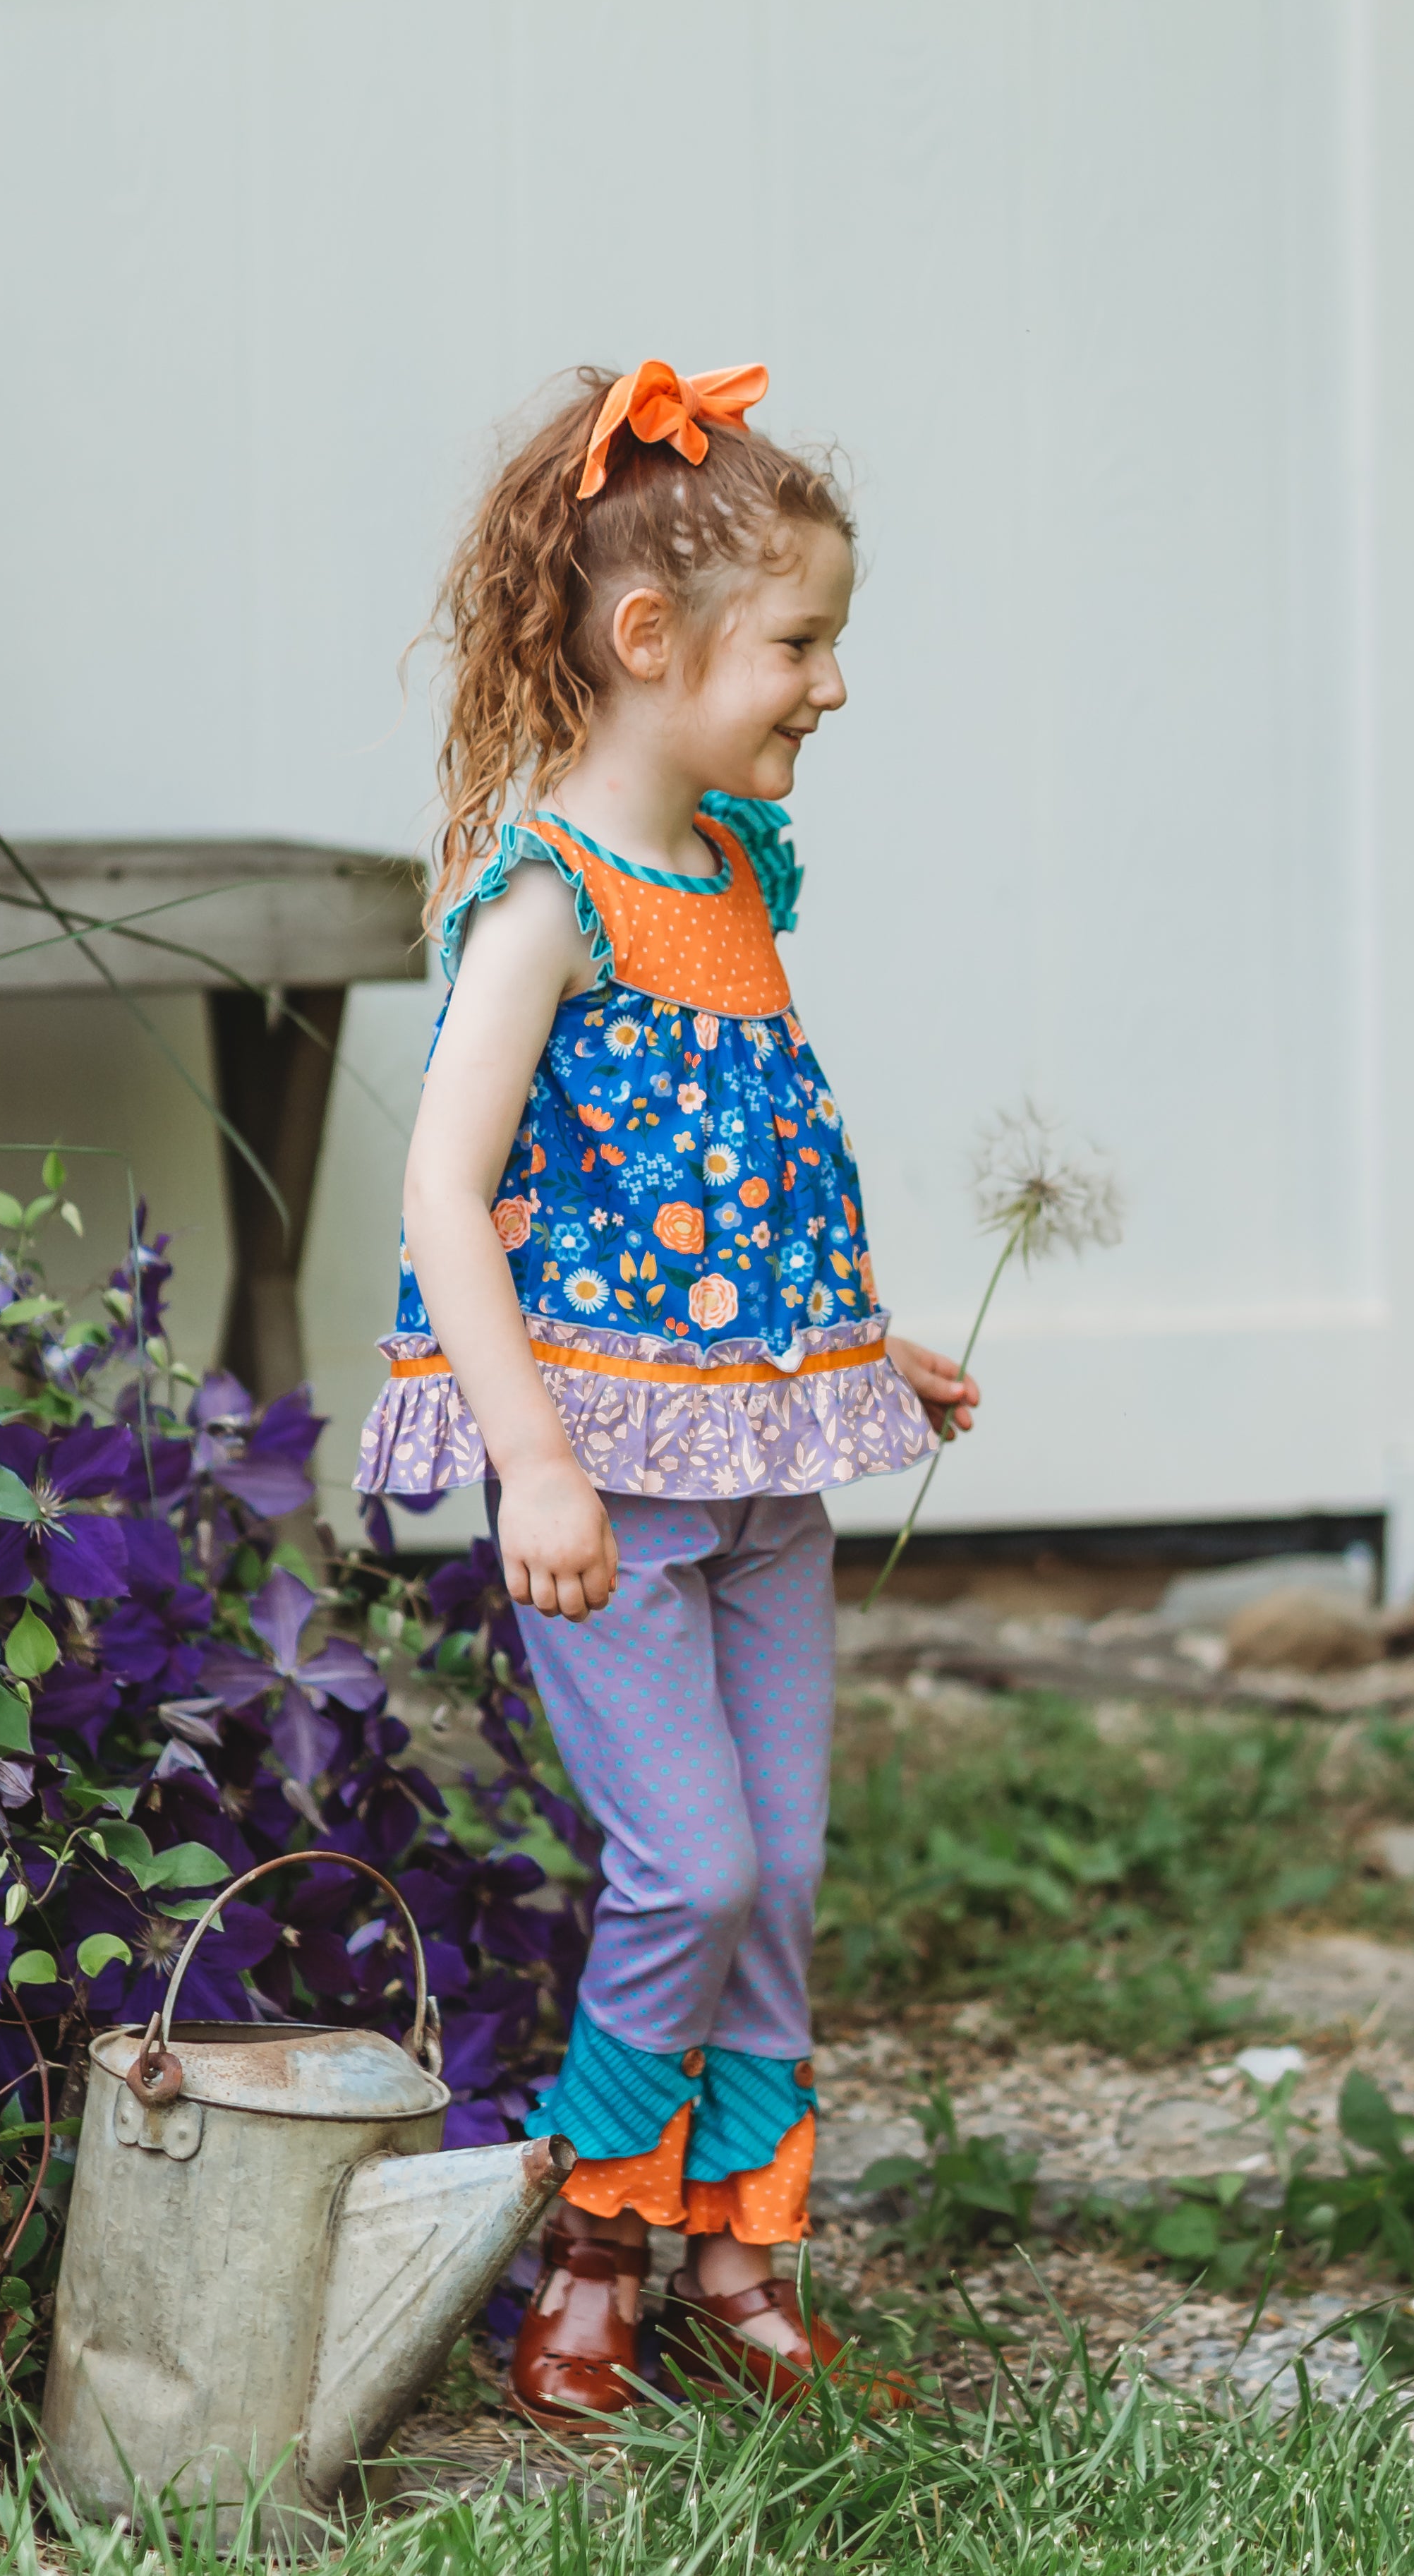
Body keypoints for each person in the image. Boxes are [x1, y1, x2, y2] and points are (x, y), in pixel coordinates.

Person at [356, 357, 979, 2428]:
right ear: (652, 641)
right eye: (801, 643)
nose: (831, 685)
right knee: (687, 1870)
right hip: (601, 1487)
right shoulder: (547, 896)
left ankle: (743, 2247)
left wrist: (839, 1338)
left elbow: (734, 1166)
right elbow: (449, 1192)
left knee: (781, 1871)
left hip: (757, 1455)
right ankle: (595, 2239)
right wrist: (530, 1462)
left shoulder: (736, 874)